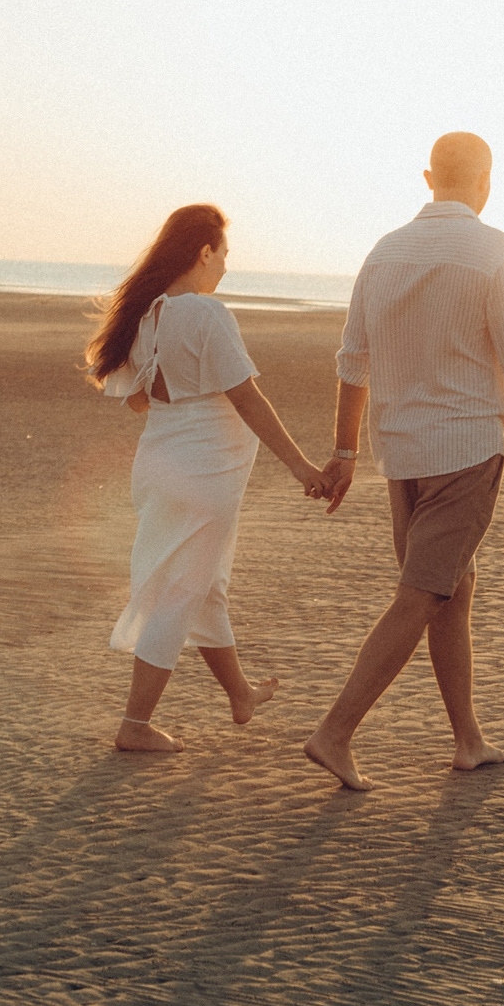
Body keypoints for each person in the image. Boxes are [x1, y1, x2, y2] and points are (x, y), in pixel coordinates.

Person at [303, 133, 504, 791]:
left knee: (452, 589)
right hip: (465, 450)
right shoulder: (496, 252)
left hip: (400, 453)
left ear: (429, 177)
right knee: (423, 593)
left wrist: (345, 451)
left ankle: (468, 740)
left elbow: (352, 361)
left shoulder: (384, 252)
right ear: (486, 182)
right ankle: (334, 732)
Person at [85, 205, 327, 753]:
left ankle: (240, 693)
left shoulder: (145, 315)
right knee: (181, 592)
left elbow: (138, 401)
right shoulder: (205, 314)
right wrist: (300, 466)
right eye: (224, 255)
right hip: (205, 473)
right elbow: (246, 397)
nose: (225, 267)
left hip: (159, 464)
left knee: (205, 584)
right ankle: (135, 725)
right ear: (204, 252)